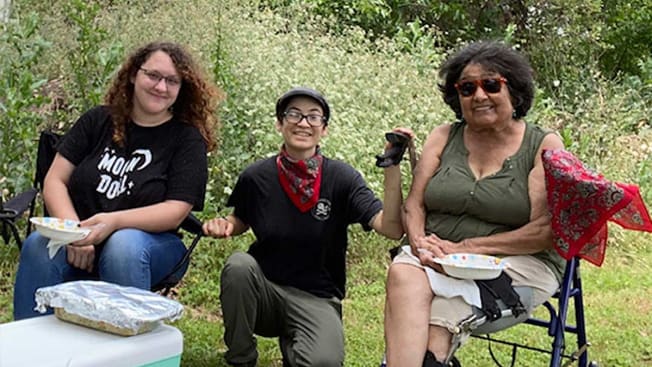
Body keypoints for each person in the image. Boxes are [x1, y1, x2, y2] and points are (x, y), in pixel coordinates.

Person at [383, 41, 566, 367]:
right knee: (403, 272)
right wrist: (422, 246)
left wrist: (466, 248)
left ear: (515, 91)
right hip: (438, 257)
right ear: (458, 97)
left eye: (491, 84)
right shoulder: (443, 136)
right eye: (467, 88)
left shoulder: (543, 144)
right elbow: (414, 206)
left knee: (437, 327)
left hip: (517, 265)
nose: (479, 95)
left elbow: (544, 231)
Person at [13, 41, 222, 320]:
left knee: (123, 245)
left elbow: (176, 211)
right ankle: (32, 352)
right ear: (134, 74)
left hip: (150, 246)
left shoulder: (186, 139)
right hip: (81, 240)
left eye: (172, 81)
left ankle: (125, 352)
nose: (161, 87)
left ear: (182, 88)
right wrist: (77, 235)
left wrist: (111, 222)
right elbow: (55, 180)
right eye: (153, 75)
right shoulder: (97, 121)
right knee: (39, 245)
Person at [203, 86, 409, 367]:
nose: (303, 122)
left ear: (323, 129)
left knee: (322, 362)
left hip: (317, 297)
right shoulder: (256, 176)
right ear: (279, 123)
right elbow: (242, 218)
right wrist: (226, 225)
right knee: (239, 266)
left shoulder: (342, 178)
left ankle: (298, 342)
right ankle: (241, 358)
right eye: (294, 114)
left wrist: (392, 165)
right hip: (266, 291)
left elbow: (391, 228)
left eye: (314, 117)